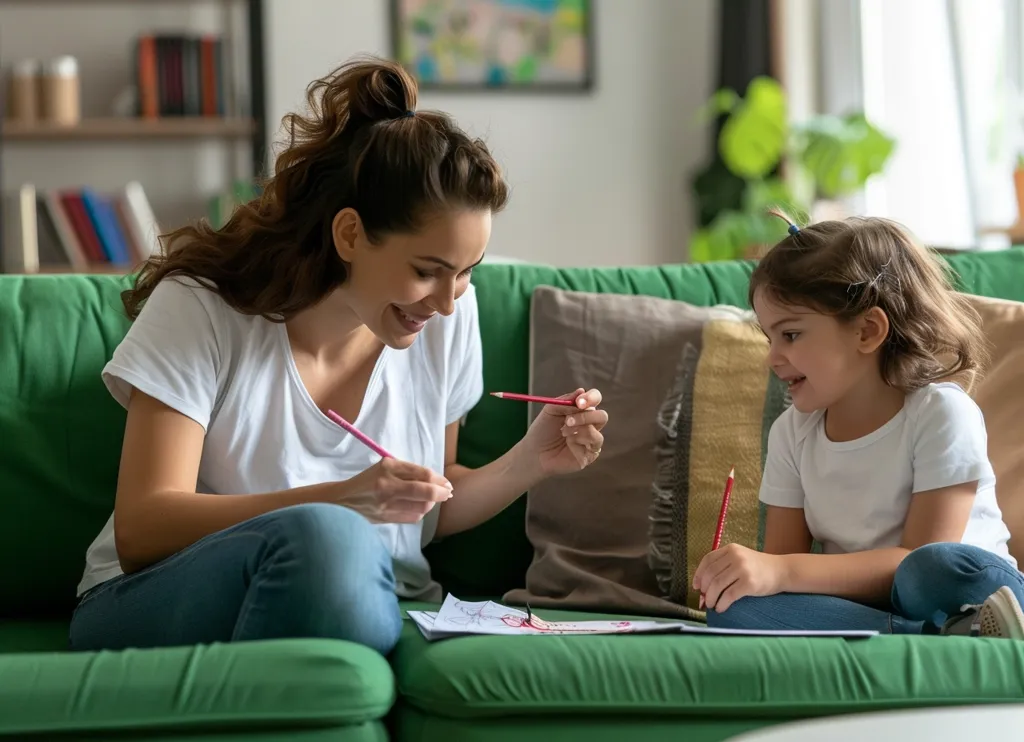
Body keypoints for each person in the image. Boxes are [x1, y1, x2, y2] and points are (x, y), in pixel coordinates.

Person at [68, 56, 608, 655]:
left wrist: (530, 461)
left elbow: (429, 506)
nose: (448, 303)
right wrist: (337, 499)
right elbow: (142, 530)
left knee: (347, 569)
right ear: (349, 234)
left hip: (369, 594)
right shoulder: (203, 310)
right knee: (330, 543)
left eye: (465, 275)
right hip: (154, 594)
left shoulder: (450, 318)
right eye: (428, 271)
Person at [693, 209, 1024, 638]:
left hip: (966, 588)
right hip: (871, 607)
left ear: (867, 331)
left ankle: (963, 628)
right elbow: (780, 569)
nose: (772, 356)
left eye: (790, 335)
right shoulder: (792, 434)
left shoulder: (940, 413)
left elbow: (918, 559)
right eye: (768, 337)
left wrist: (780, 571)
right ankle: (930, 638)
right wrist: (754, 574)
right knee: (737, 606)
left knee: (930, 568)